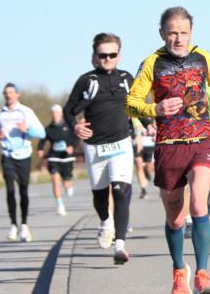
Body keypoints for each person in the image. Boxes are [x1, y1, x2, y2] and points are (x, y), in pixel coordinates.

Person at [127, 6, 210, 294]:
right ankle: (179, 271)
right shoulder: (152, 63)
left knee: (199, 204)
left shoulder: (203, 57)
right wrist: (155, 108)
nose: (178, 39)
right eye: (172, 33)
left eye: (184, 33)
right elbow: (131, 103)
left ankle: (203, 274)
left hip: (201, 140)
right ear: (162, 33)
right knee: (176, 219)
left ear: (191, 32)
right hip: (169, 145)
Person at [64, 33, 136, 265]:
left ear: (119, 55)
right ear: (95, 56)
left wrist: (150, 124)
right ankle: (105, 221)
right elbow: (68, 111)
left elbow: (137, 106)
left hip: (121, 143)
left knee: (121, 190)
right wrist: (75, 126)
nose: (107, 59)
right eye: (103, 55)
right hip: (95, 147)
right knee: (100, 195)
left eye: (112, 55)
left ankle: (120, 245)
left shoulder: (126, 78)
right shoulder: (86, 81)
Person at [0, 83, 45, 242]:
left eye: (11, 92)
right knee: (10, 190)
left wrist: (27, 129)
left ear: (17, 95)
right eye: (6, 93)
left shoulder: (26, 111)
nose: (8, 95)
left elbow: (41, 133)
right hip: (7, 154)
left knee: (23, 190)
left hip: (24, 155)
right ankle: (13, 224)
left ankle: (24, 225)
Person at [38, 104, 77, 216]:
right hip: (53, 157)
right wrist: (40, 149)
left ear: (61, 114)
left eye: (57, 112)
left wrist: (72, 147)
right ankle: (60, 205)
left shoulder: (69, 127)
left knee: (67, 182)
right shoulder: (48, 129)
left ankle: (68, 186)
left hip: (67, 158)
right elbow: (42, 141)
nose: (55, 115)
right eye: (53, 113)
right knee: (55, 180)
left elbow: (76, 138)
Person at [132, 117, 156, 199]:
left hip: (150, 144)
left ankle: (146, 169)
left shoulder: (153, 113)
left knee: (149, 167)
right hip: (137, 144)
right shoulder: (134, 116)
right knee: (139, 165)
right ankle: (143, 190)